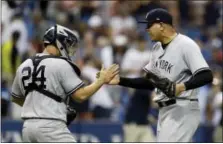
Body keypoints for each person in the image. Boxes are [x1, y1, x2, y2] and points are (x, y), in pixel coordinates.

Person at [101, 8, 213, 142]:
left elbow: (206, 75)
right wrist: (120, 80)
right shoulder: (156, 48)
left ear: (161, 25)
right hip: (165, 111)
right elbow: (150, 82)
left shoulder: (186, 45)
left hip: (182, 107)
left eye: (150, 25)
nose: (147, 29)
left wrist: (181, 87)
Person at [11, 24, 119, 142]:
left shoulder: (24, 65)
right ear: (58, 41)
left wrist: (38, 106)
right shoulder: (61, 64)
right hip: (51, 126)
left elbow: (16, 98)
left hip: (27, 128)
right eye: (67, 43)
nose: (69, 48)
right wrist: (101, 81)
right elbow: (80, 95)